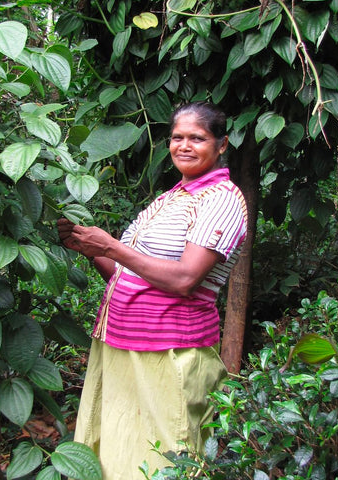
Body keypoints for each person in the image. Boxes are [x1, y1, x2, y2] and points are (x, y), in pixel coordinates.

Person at [57, 101, 248, 479]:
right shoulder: (170, 198)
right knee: (120, 445)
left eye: (198, 138)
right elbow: (124, 273)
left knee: (165, 454)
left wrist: (111, 245)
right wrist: (90, 249)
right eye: (178, 137)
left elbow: (184, 279)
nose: (185, 146)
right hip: (122, 343)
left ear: (221, 145)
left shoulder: (222, 198)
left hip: (169, 348)